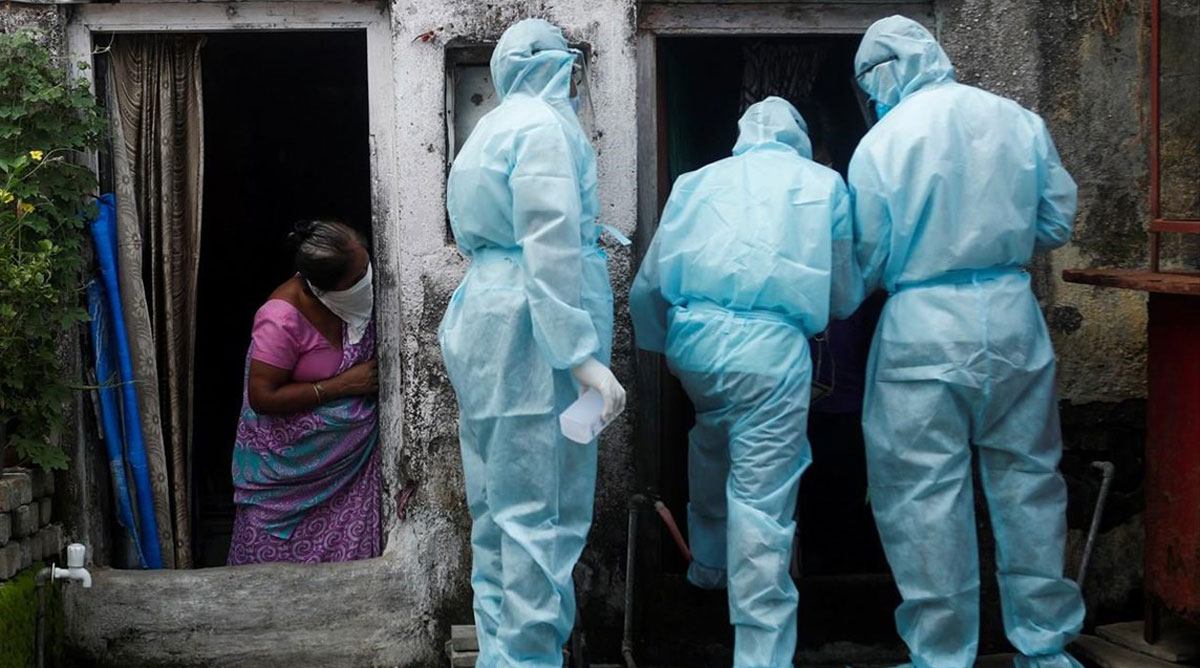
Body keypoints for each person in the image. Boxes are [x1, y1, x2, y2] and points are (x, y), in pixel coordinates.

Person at [842, 15, 1085, 668]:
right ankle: (1046, 648)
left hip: (921, 328)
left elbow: (866, 258)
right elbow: (1056, 222)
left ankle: (942, 655)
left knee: (923, 499)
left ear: (882, 74)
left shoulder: (883, 142)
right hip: (1011, 316)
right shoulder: (1017, 120)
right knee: (1031, 486)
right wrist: (996, 244)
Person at [630, 96, 858, 668]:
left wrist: (664, 347)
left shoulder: (696, 182)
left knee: (712, 445)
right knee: (761, 500)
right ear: (799, 137)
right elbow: (842, 294)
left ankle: (710, 565)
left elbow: (652, 280)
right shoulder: (822, 183)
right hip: (770, 353)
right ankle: (760, 652)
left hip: (697, 345)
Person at [439, 19, 625, 668]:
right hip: (532, 334)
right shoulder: (546, 127)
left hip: (485, 321)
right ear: (554, 66)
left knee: (496, 515)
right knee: (540, 518)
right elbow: (548, 246)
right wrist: (580, 357)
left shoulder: (489, 128)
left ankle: (502, 657)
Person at [227, 219, 381, 565]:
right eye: (359, 276)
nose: (368, 278)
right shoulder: (281, 319)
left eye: (367, 265)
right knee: (269, 578)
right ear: (327, 287)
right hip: (286, 486)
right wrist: (341, 386)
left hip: (348, 480)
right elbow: (263, 397)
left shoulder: (353, 304)